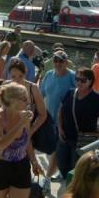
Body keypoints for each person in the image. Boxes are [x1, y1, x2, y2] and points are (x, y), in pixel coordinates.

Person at [0, 82, 43, 198]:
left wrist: (33, 161)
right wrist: (20, 124)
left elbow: (27, 141)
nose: (28, 101)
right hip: (0, 167)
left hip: (21, 166)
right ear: (13, 100)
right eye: (24, 98)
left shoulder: (24, 116)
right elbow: (0, 144)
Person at [56, 68, 99, 178]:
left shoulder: (96, 98)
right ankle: (67, 183)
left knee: (77, 168)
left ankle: (73, 189)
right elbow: (61, 110)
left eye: (83, 80)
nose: (79, 82)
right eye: (77, 79)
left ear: (90, 81)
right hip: (65, 136)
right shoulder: (70, 93)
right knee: (61, 163)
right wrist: (60, 128)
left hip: (83, 139)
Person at [40, 50, 76, 190]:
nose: (58, 63)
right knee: (51, 151)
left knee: (55, 150)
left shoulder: (72, 77)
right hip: (48, 120)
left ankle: (47, 180)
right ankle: (61, 172)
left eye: (61, 61)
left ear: (66, 62)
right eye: (55, 60)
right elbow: (41, 93)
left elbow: (78, 96)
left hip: (64, 122)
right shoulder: (49, 75)